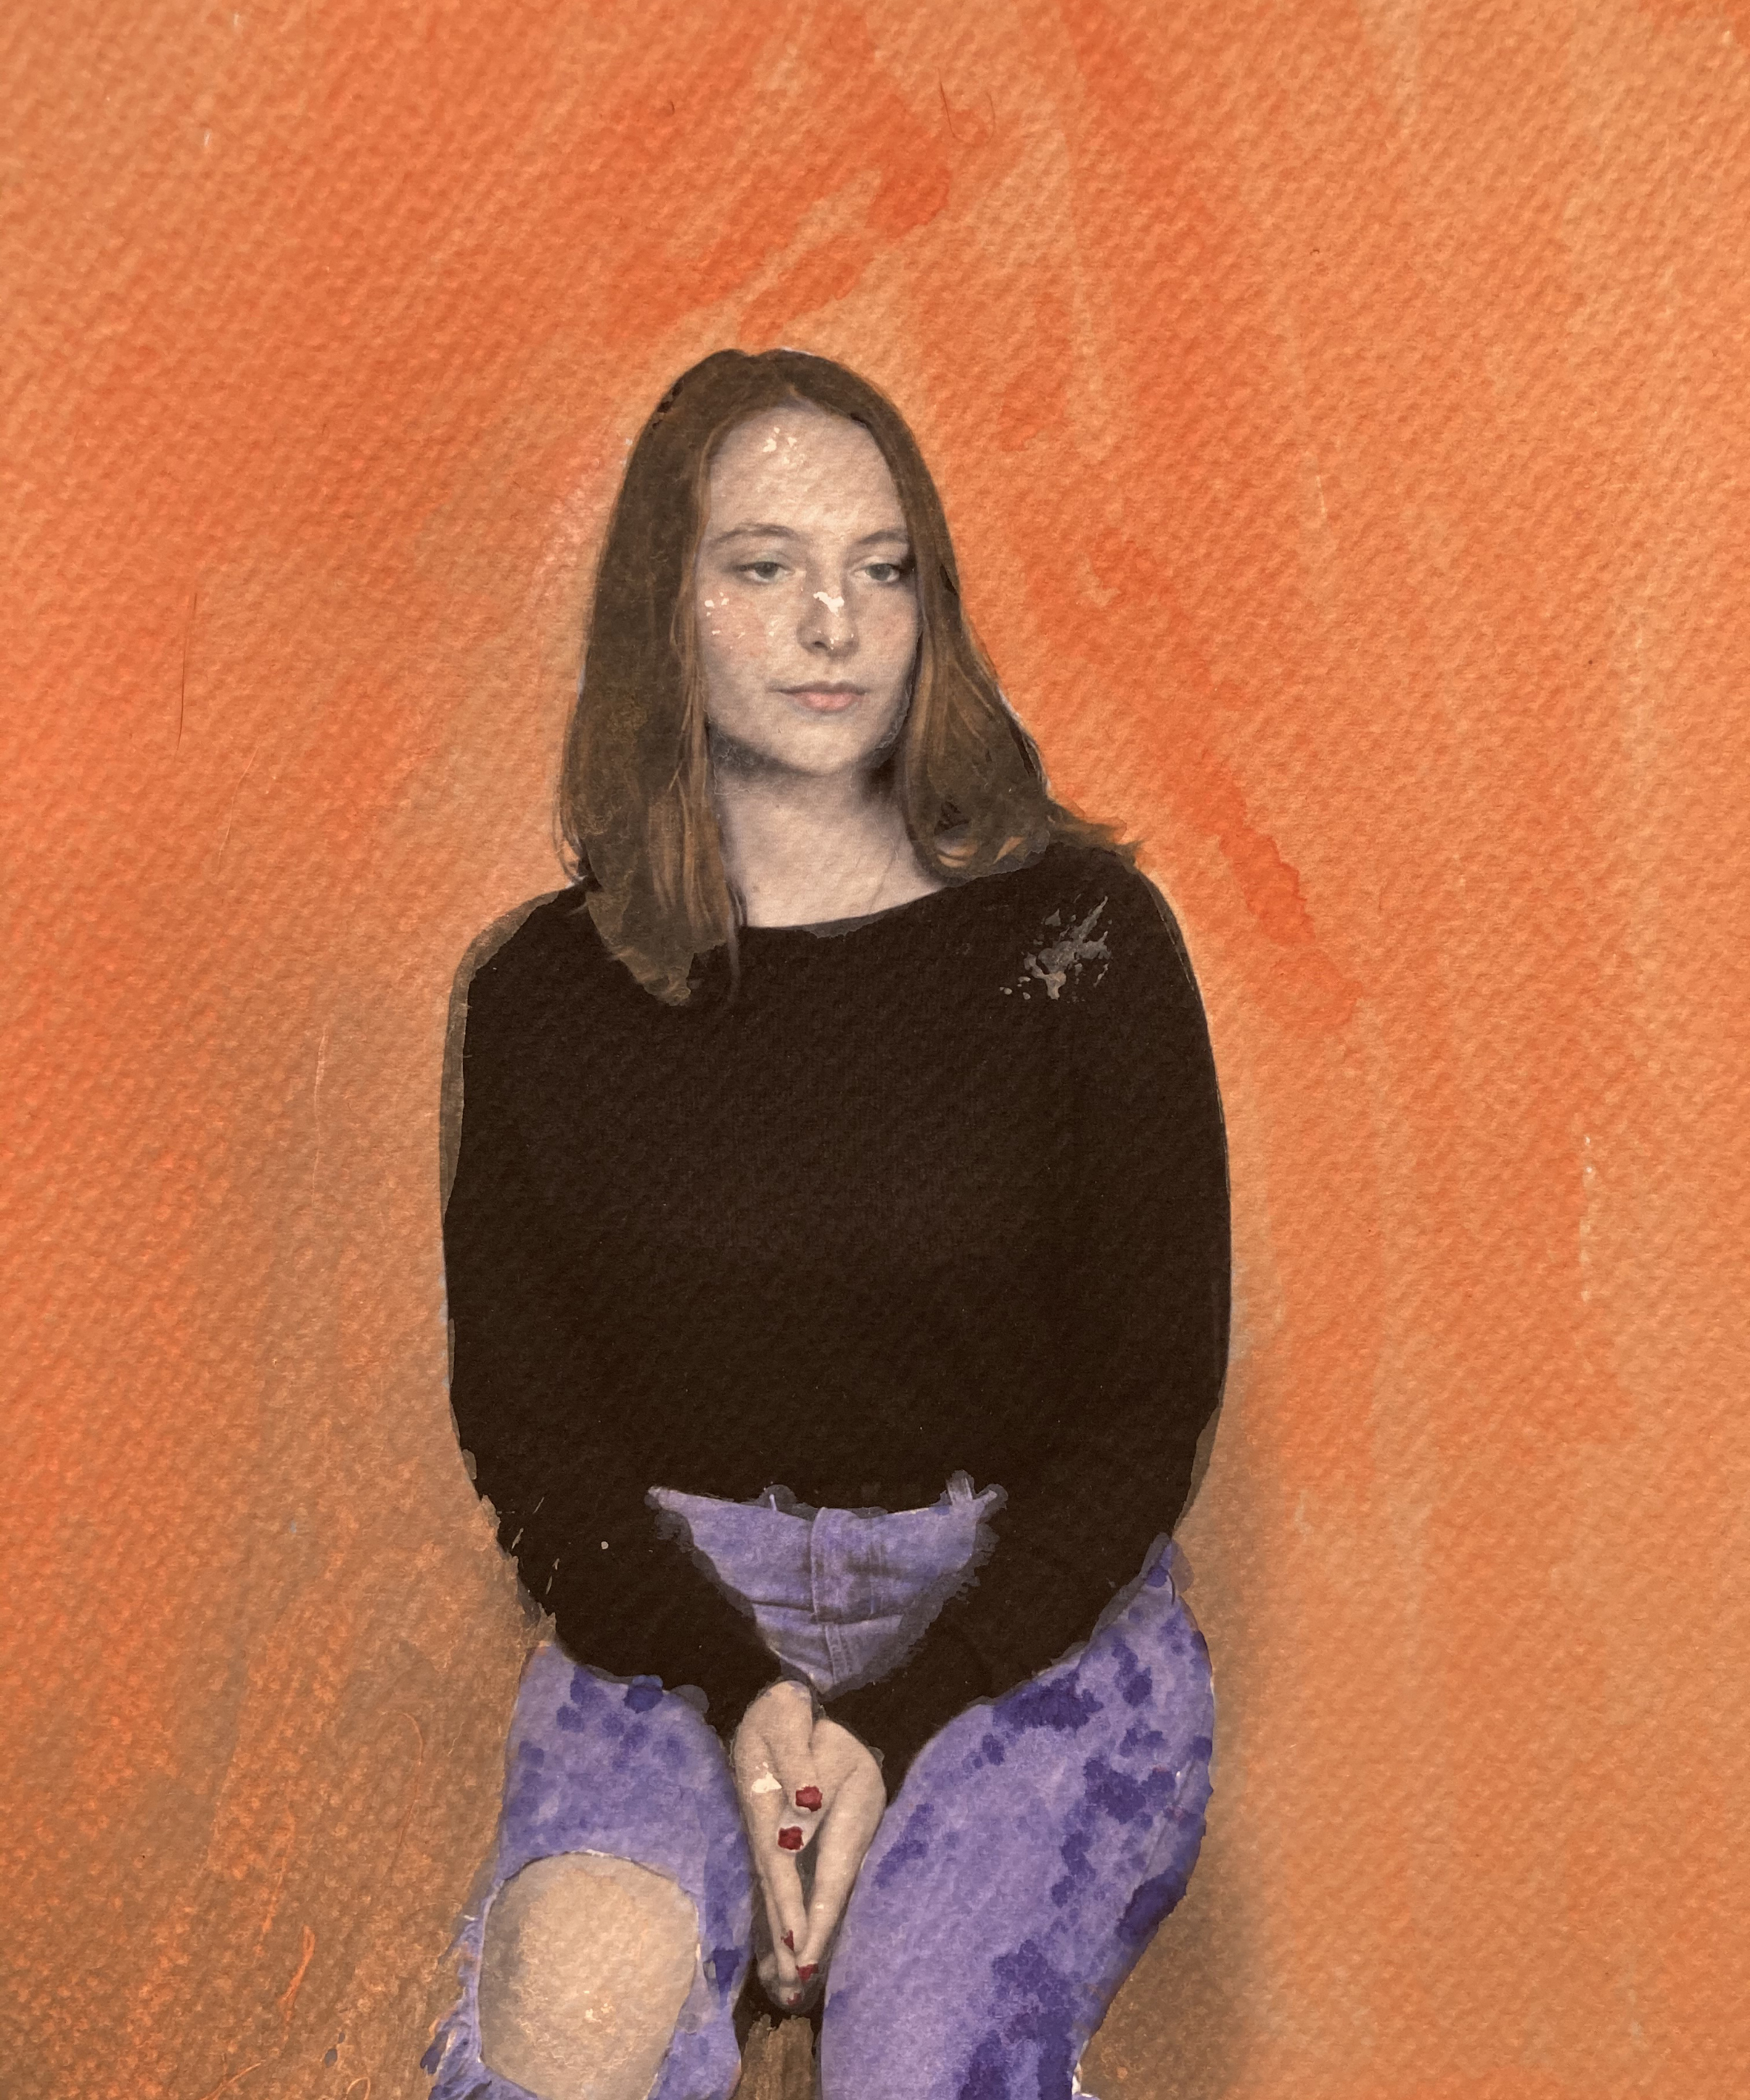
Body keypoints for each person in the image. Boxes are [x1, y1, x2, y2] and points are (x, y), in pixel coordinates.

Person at [425, 348, 1231, 2100]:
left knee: (924, 2054)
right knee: (569, 2009)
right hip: (669, 1625)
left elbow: (1142, 1413)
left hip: (1027, 1637)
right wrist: (746, 1695)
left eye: (882, 568)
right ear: (665, 604)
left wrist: (896, 1716)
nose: (832, 625)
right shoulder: (544, 997)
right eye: (762, 566)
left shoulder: (1082, 943)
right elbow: (535, 1441)